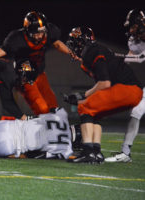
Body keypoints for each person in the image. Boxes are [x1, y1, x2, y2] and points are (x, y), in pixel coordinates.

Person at [64, 26, 143, 164]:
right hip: (133, 90)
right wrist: (83, 96)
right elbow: (103, 86)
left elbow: (104, 83)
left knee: (85, 107)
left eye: (74, 43)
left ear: (81, 42)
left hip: (126, 88)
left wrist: (82, 96)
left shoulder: (92, 51)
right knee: (95, 112)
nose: (72, 47)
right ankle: (96, 152)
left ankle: (88, 152)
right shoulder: (95, 50)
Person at [0, 11, 77, 119]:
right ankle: (40, 132)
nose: (40, 36)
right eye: (36, 33)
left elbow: (57, 44)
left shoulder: (50, 31)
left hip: (40, 74)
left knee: (53, 107)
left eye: (42, 32)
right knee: (42, 108)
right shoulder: (17, 39)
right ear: (27, 31)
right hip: (25, 78)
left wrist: (72, 53)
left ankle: (52, 133)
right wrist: (5, 72)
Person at [105, 9, 145, 163]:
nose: (131, 31)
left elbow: (141, 58)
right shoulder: (135, 41)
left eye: (133, 27)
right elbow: (130, 58)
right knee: (136, 112)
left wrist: (118, 56)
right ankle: (126, 152)